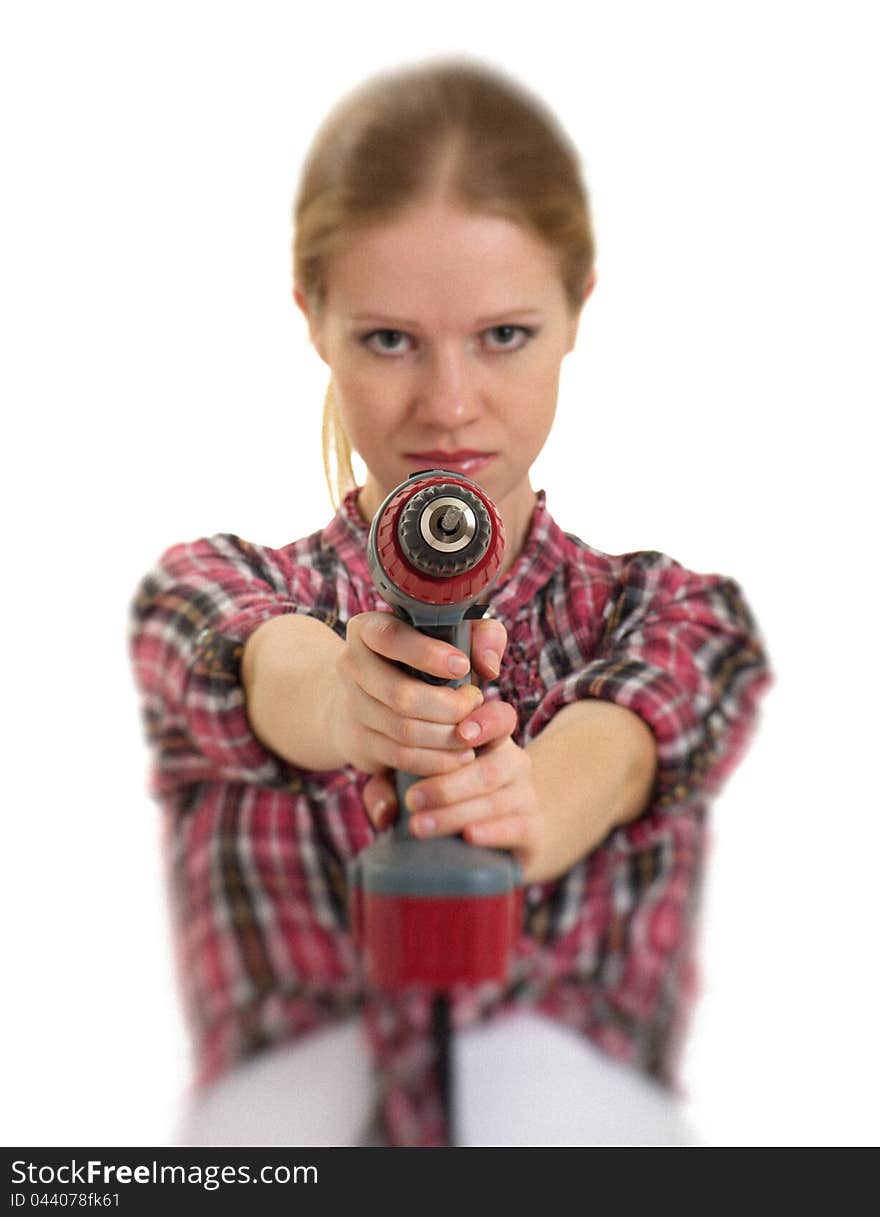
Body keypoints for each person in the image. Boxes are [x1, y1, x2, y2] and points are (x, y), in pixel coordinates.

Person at [128, 56, 774, 1147]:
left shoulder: (679, 615)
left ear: (577, 312)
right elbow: (257, 660)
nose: (449, 404)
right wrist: (343, 701)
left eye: (503, 335)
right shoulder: (208, 589)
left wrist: (526, 804)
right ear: (314, 318)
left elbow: (620, 745)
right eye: (389, 339)